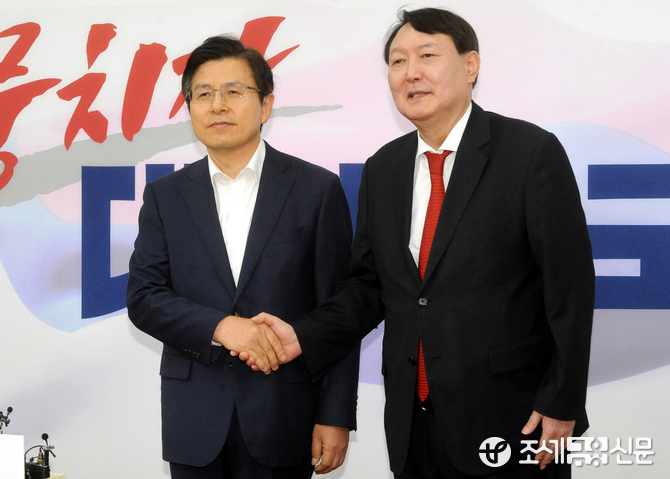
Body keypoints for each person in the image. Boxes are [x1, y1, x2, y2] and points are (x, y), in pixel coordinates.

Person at [243, 8, 595, 479]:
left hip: (514, 417)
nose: (410, 73)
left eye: (427, 56)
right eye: (397, 61)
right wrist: (301, 335)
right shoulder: (383, 168)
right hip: (413, 421)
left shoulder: (529, 153)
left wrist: (562, 400)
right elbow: (369, 288)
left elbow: (570, 287)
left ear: (470, 65)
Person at [126, 35, 359, 479]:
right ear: (189, 107)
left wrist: (335, 414)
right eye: (203, 94)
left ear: (266, 105)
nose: (217, 105)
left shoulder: (315, 190)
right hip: (194, 421)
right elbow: (144, 298)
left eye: (233, 91)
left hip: (285, 414)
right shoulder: (165, 197)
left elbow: (340, 311)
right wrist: (220, 326)